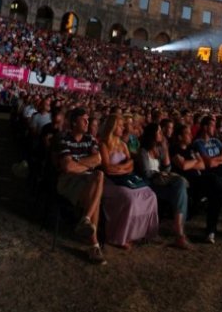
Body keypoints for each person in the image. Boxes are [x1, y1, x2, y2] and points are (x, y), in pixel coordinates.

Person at [99, 113, 159, 250]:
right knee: (130, 198)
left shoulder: (123, 145)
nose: (123, 129)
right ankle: (120, 236)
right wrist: (123, 168)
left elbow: (131, 163)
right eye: (120, 126)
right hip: (109, 182)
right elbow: (107, 168)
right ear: (112, 127)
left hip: (125, 178)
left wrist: (121, 168)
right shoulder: (104, 145)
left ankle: (142, 232)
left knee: (150, 195)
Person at [55, 108, 106, 265]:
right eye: (84, 119)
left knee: (99, 175)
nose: (87, 123)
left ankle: (86, 221)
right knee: (95, 199)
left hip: (86, 179)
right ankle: (93, 244)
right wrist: (85, 163)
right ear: (74, 122)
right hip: (68, 181)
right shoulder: (63, 138)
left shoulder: (90, 139)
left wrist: (76, 163)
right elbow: (68, 168)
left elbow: (98, 159)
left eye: (88, 120)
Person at [139, 123, 192, 250]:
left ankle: (179, 232)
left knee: (180, 189)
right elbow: (146, 173)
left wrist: (165, 150)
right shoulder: (143, 151)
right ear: (152, 135)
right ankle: (179, 232)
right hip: (150, 183)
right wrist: (160, 173)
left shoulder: (159, 149)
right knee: (180, 187)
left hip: (161, 181)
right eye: (158, 132)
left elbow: (167, 168)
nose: (161, 134)